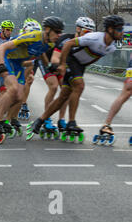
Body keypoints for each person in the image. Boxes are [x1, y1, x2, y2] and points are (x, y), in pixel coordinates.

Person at [27, 15, 124, 143]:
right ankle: (71, 121)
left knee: (64, 96)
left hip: (80, 65)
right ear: (110, 30)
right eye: (119, 29)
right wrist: (62, 64)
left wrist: (82, 68)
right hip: (70, 59)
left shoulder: (111, 47)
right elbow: (68, 44)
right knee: (79, 85)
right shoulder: (94, 38)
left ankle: (40, 121)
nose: (122, 32)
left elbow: (94, 57)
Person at [0, 16, 64, 143]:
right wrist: (1, 65)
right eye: (57, 32)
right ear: (48, 30)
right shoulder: (34, 36)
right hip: (6, 59)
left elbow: (41, 53)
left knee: (19, 97)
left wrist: (48, 66)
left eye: (60, 32)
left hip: (19, 64)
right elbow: (2, 47)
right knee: (13, 89)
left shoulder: (49, 42)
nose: (59, 35)